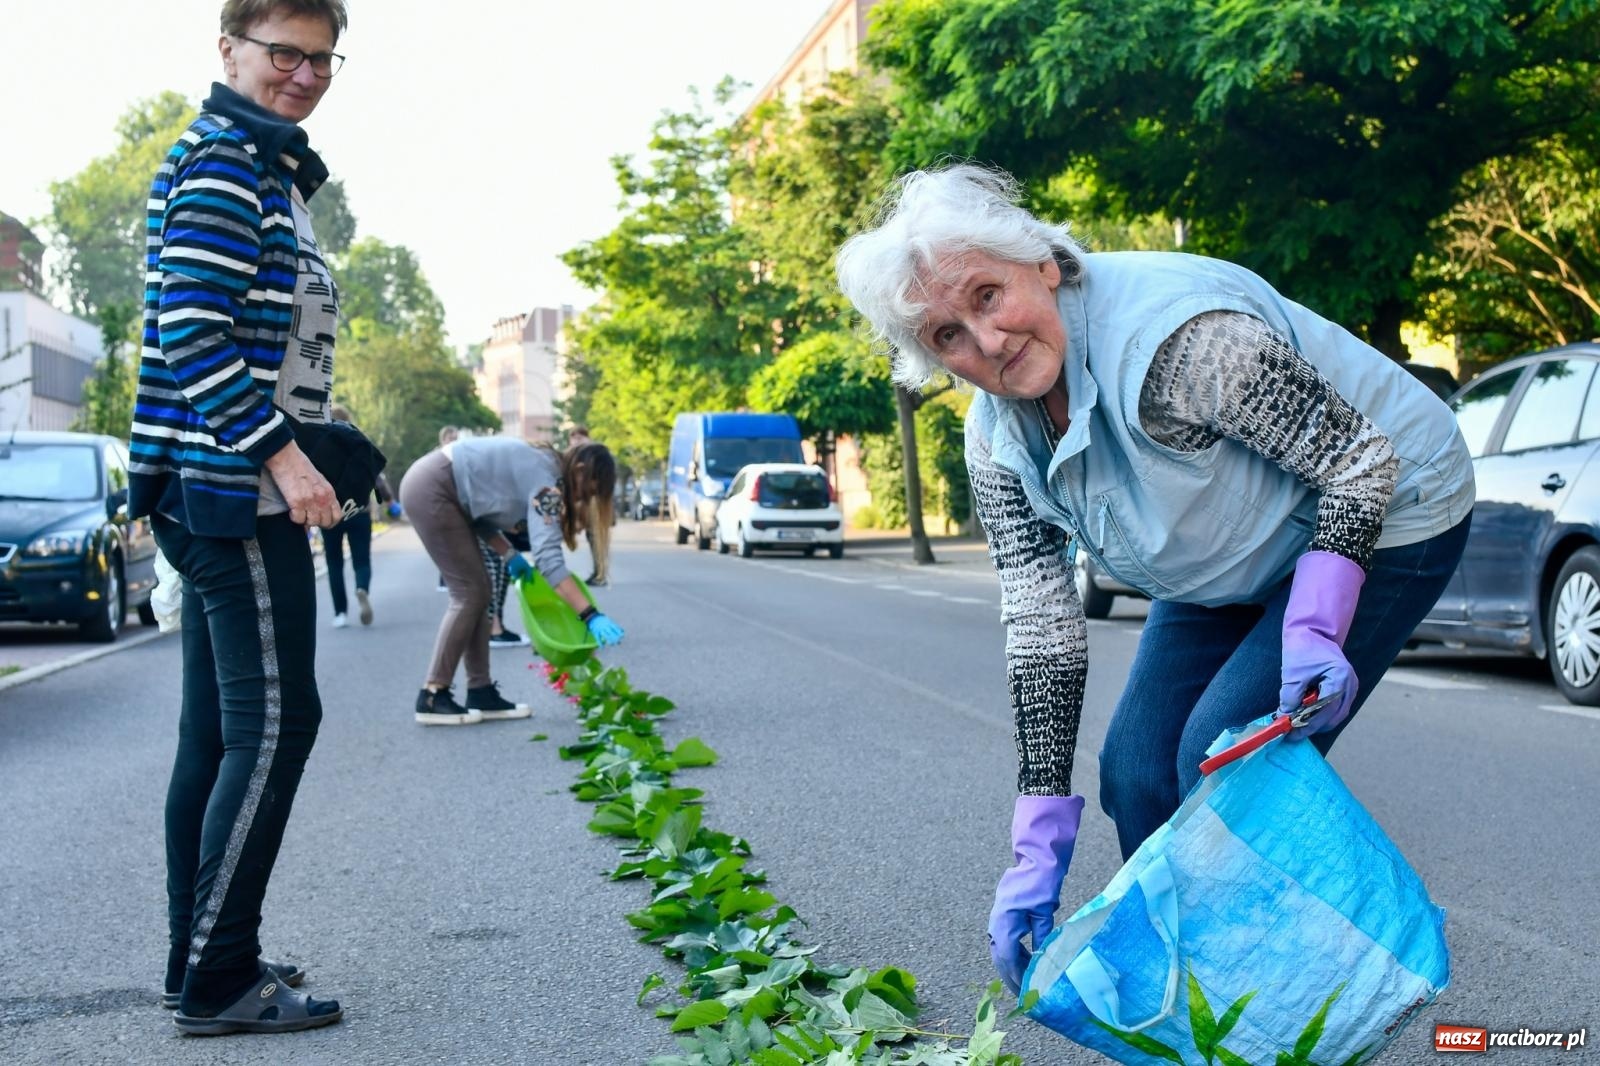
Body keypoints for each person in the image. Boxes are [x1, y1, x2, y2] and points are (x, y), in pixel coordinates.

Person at [835, 164, 1475, 994]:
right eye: (946, 336)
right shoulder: (995, 440)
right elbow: (1041, 629)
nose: (985, 344)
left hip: (1393, 507)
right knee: (1136, 773)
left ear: (1045, 265)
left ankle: (1298, 992)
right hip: (1224, 549)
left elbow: (1359, 460)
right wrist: (1037, 849)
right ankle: (1203, 995)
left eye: (987, 296)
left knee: (1221, 764)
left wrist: (1314, 629)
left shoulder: (1180, 345)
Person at [127, 0, 350, 1034]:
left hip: (210, 481)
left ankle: (199, 957)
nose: (305, 73)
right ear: (229, 50)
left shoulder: (261, 166)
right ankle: (221, 972)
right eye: (285, 53)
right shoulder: (225, 159)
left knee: (217, 734)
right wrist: (283, 455)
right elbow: (190, 329)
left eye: (322, 57)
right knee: (276, 723)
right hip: (229, 489)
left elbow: (261, 332)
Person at [400, 436, 625, 725]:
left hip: (439, 485)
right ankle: (432, 694)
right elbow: (549, 561)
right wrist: (591, 615)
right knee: (469, 592)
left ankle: (480, 691)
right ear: (579, 469)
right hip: (434, 487)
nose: (582, 499)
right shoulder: (548, 484)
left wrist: (508, 553)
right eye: (587, 491)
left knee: (480, 591)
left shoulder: (545, 467)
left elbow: (478, 509)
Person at [322, 404, 393, 627]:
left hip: (330, 514)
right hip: (360, 510)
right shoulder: (360, 443)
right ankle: (361, 587)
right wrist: (389, 500)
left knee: (334, 563)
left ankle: (340, 614)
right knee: (361, 559)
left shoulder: (321, 444)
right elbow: (377, 478)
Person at [566, 425, 612, 587]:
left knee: (596, 538)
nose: (577, 440)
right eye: (574, 437)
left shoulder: (594, 456)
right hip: (582, 506)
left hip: (593, 508)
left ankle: (600, 572)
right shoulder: (572, 460)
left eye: (580, 437)